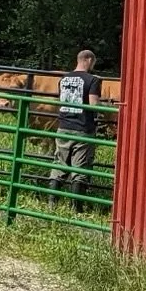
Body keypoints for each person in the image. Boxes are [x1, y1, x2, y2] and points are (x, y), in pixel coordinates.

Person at [50, 48, 104, 201]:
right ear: (89, 60)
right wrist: (107, 107)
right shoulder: (92, 80)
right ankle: (76, 208)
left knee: (60, 163)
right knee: (80, 167)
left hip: (63, 126)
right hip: (83, 128)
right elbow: (94, 105)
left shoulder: (64, 79)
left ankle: (52, 202)